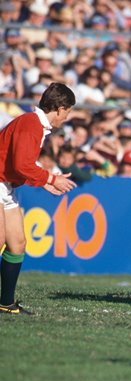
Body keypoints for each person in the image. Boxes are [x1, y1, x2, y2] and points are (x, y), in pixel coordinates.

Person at [0, 82, 77, 314]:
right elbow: (21, 165)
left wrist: (46, 181)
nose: (67, 117)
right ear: (60, 108)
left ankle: (5, 303)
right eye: (68, 111)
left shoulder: (35, 125)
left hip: (7, 185)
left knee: (17, 243)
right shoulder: (31, 124)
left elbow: (23, 163)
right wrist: (52, 180)